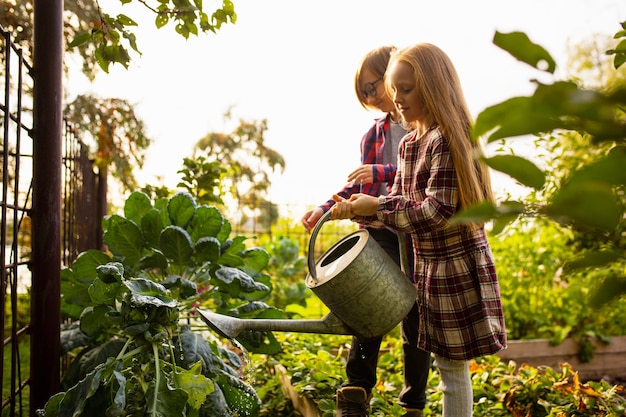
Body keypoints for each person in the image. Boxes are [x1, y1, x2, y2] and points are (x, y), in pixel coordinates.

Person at [329, 43, 507, 417]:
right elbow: (399, 205)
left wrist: (377, 205)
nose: (398, 99)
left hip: (453, 268)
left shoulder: (445, 139)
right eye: (395, 90)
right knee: (446, 369)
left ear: (434, 86)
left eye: (406, 89)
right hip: (425, 269)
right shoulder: (410, 143)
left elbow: (436, 211)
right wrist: (350, 209)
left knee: (452, 372)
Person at [301, 45, 431, 417]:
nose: (371, 99)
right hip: (381, 228)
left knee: (416, 315)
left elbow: (420, 174)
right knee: (369, 298)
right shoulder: (373, 136)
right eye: (365, 94)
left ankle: (414, 402)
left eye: (373, 88)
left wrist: (383, 173)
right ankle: (356, 387)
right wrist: (325, 208)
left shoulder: (424, 124)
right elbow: (361, 187)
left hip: (417, 227)